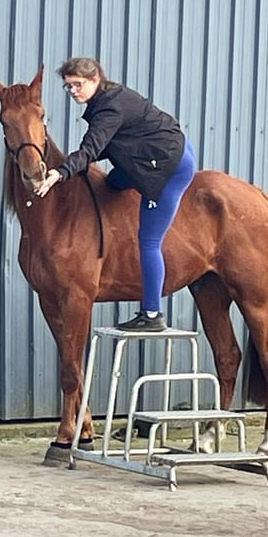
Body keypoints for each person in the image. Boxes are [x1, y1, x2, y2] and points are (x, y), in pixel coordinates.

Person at [35, 57, 196, 332]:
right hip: (153, 152)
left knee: (149, 240)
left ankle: (152, 314)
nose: (73, 91)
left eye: (77, 85)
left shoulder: (110, 107)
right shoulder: (104, 100)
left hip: (168, 166)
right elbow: (106, 146)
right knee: (112, 182)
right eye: (68, 87)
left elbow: (92, 147)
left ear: (95, 79)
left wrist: (60, 173)